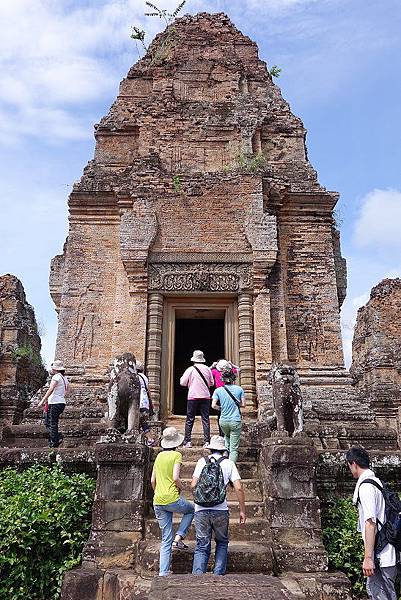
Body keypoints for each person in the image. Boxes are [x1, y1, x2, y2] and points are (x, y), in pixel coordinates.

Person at [346, 446, 400, 599]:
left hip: (380, 556)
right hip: (387, 552)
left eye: (349, 466)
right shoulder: (377, 482)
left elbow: (370, 523)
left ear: (353, 463)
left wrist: (368, 558)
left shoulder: (366, 487)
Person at [191, 435, 246, 575]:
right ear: (223, 450)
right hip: (220, 509)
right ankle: (218, 575)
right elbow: (239, 488)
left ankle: (197, 578)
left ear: (210, 449)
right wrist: (242, 511)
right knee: (221, 542)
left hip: (201, 510)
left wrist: (202, 496)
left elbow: (193, 485)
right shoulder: (229, 464)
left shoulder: (201, 462)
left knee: (201, 546)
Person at [151, 427, 195, 577]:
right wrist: (182, 488)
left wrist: (157, 492)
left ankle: (163, 573)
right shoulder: (176, 455)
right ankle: (180, 537)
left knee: (165, 538)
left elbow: (152, 480)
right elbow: (176, 477)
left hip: (158, 500)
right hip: (172, 497)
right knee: (191, 509)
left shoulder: (158, 456)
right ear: (176, 442)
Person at [180, 350, 214, 448]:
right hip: (205, 396)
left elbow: (182, 382)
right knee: (205, 419)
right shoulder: (207, 369)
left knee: (190, 419)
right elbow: (212, 383)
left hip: (193, 396)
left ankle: (187, 441)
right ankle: (207, 441)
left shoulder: (190, 369)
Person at [211, 369, 245, 463]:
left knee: (226, 436)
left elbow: (213, 405)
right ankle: (230, 469)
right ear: (233, 378)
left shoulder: (218, 390)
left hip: (223, 421)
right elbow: (243, 404)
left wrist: (221, 408)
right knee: (234, 449)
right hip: (235, 420)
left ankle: (225, 456)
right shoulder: (239, 389)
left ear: (222, 379)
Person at [37, 360, 69, 448]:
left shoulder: (56, 377)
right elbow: (67, 391)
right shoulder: (65, 378)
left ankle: (54, 443)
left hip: (55, 403)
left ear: (55, 369)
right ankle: (57, 436)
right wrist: (60, 396)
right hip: (61, 402)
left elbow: (50, 389)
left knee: (52, 423)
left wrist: (42, 400)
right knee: (48, 422)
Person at [136, 360, 156, 447]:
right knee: (142, 421)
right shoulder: (144, 377)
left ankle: (150, 439)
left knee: (141, 422)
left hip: (138, 402)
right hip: (145, 402)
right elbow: (149, 391)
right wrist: (151, 403)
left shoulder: (135, 377)